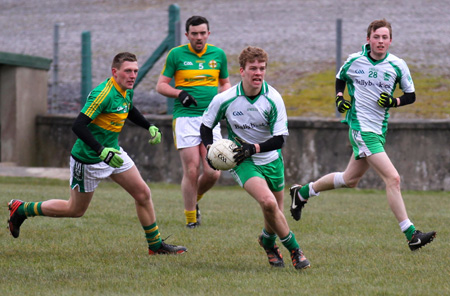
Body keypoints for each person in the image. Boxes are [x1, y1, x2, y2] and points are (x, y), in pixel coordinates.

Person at [7, 52, 187, 255]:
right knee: (75, 210)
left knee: (143, 194)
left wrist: (149, 126)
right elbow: (78, 125)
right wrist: (101, 151)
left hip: (114, 154)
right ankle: (22, 209)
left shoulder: (126, 90)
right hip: (88, 159)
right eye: (128, 71)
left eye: (135, 71)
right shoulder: (103, 93)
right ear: (114, 72)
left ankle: (155, 246)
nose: (133, 75)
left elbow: (128, 109)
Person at [289, 19, 436, 251]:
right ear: (368, 39)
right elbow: (340, 78)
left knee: (350, 180)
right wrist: (339, 97)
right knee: (393, 179)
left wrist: (394, 101)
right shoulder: (354, 60)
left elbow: (411, 95)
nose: (380, 41)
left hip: (378, 130)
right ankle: (411, 234)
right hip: (360, 129)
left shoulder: (397, 65)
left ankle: (303, 192)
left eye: (384, 37)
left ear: (390, 41)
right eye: (376, 37)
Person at [200, 46, 310, 270]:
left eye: (262, 68)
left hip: (271, 159)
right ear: (242, 71)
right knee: (268, 202)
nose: (258, 73)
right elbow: (205, 126)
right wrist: (211, 149)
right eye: (253, 68)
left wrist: (254, 148)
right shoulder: (226, 99)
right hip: (242, 160)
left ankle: (268, 242)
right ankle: (296, 251)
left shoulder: (273, 99)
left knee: (275, 210)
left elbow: (280, 139)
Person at [156, 16, 231, 229]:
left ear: (209, 33)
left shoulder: (219, 54)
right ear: (187, 35)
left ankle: (194, 198)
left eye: (202, 33)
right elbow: (161, 85)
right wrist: (179, 94)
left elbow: (226, 83)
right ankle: (191, 220)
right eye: (194, 33)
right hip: (185, 118)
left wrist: (222, 98)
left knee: (213, 172)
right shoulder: (176, 54)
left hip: (210, 118)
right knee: (191, 169)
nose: (199, 37)